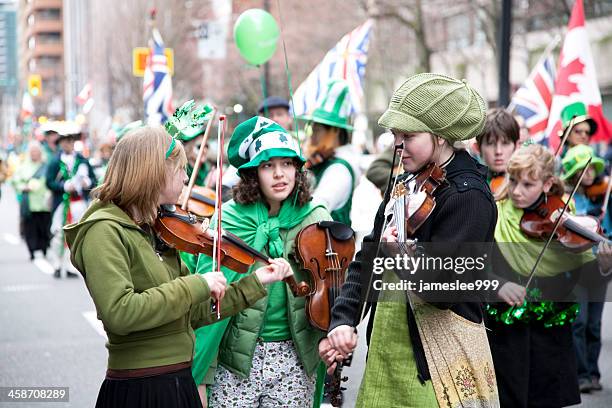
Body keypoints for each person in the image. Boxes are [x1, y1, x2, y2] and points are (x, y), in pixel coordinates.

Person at [63, 125, 294, 408]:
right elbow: (120, 312)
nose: (186, 177)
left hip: (178, 380)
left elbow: (194, 311)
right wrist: (197, 284)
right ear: (153, 172)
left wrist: (256, 282)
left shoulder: (155, 229)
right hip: (141, 385)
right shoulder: (103, 232)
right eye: (180, 169)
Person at [320, 73, 499, 407]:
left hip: (439, 360)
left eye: (409, 135)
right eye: (394, 135)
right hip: (388, 346)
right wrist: (343, 319)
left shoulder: (469, 197)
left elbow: (444, 291)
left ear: (442, 136)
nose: (397, 145)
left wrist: (400, 258)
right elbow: (367, 257)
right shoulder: (405, 183)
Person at [191, 116, 333, 407]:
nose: (279, 174)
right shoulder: (228, 219)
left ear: (297, 168)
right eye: (268, 166)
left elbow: (333, 286)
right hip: (235, 358)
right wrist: (201, 374)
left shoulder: (316, 216)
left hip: (294, 357)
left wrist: (333, 334)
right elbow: (208, 300)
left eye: (286, 163)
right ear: (253, 173)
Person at [485, 143, 612, 407]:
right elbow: (474, 266)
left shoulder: (566, 221)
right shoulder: (493, 212)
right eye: (514, 181)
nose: (517, 192)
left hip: (551, 333)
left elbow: (585, 279)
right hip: (507, 334)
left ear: (547, 184)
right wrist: (498, 284)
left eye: (528, 185)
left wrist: (604, 265)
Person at [561, 144, 610, 393]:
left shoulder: (604, 198)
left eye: (591, 168)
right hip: (576, 267)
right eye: (583, 168)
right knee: (578, 322)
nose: (589, 173)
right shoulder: (568, 199)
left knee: (594, 324)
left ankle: (593, 372)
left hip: (600, 267)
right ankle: (581, 374)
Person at [301, 79, 361, 226]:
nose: (312, 134)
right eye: (312, 128)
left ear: (335, 131)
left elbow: (316, 209)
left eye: (318, 129)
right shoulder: (322, 159)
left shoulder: (339, 168)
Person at [46, 129, 96, 278]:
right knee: (58, 233)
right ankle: (57, 264)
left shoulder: (82, 160)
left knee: (77, 235)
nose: (69, 143)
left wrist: (87, 182)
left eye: (71, 140)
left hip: (78, 203)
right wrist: (64, 186)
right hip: (62, 203)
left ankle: (71, 266)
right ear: (60, 143)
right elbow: (49, 182)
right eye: (66, 141)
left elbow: (93, 180)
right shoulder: (55, 162)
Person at [10, 142, 52, 260]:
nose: (34, 154)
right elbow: (16, 180)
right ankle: (32, 250)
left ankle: (44, 248)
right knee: (30, 227)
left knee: (44, 227)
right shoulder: (23, 166)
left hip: (43, 203)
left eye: (36, 151)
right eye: (32, 152)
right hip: (29, 203)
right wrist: (23, 187)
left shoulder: (45, 166)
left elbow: (49, 180)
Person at [473, 108, 520, 195]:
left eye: (505, 143)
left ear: (517, 145)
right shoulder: (471, 185)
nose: (498, 151)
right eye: (490, 143)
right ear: (477, 148)